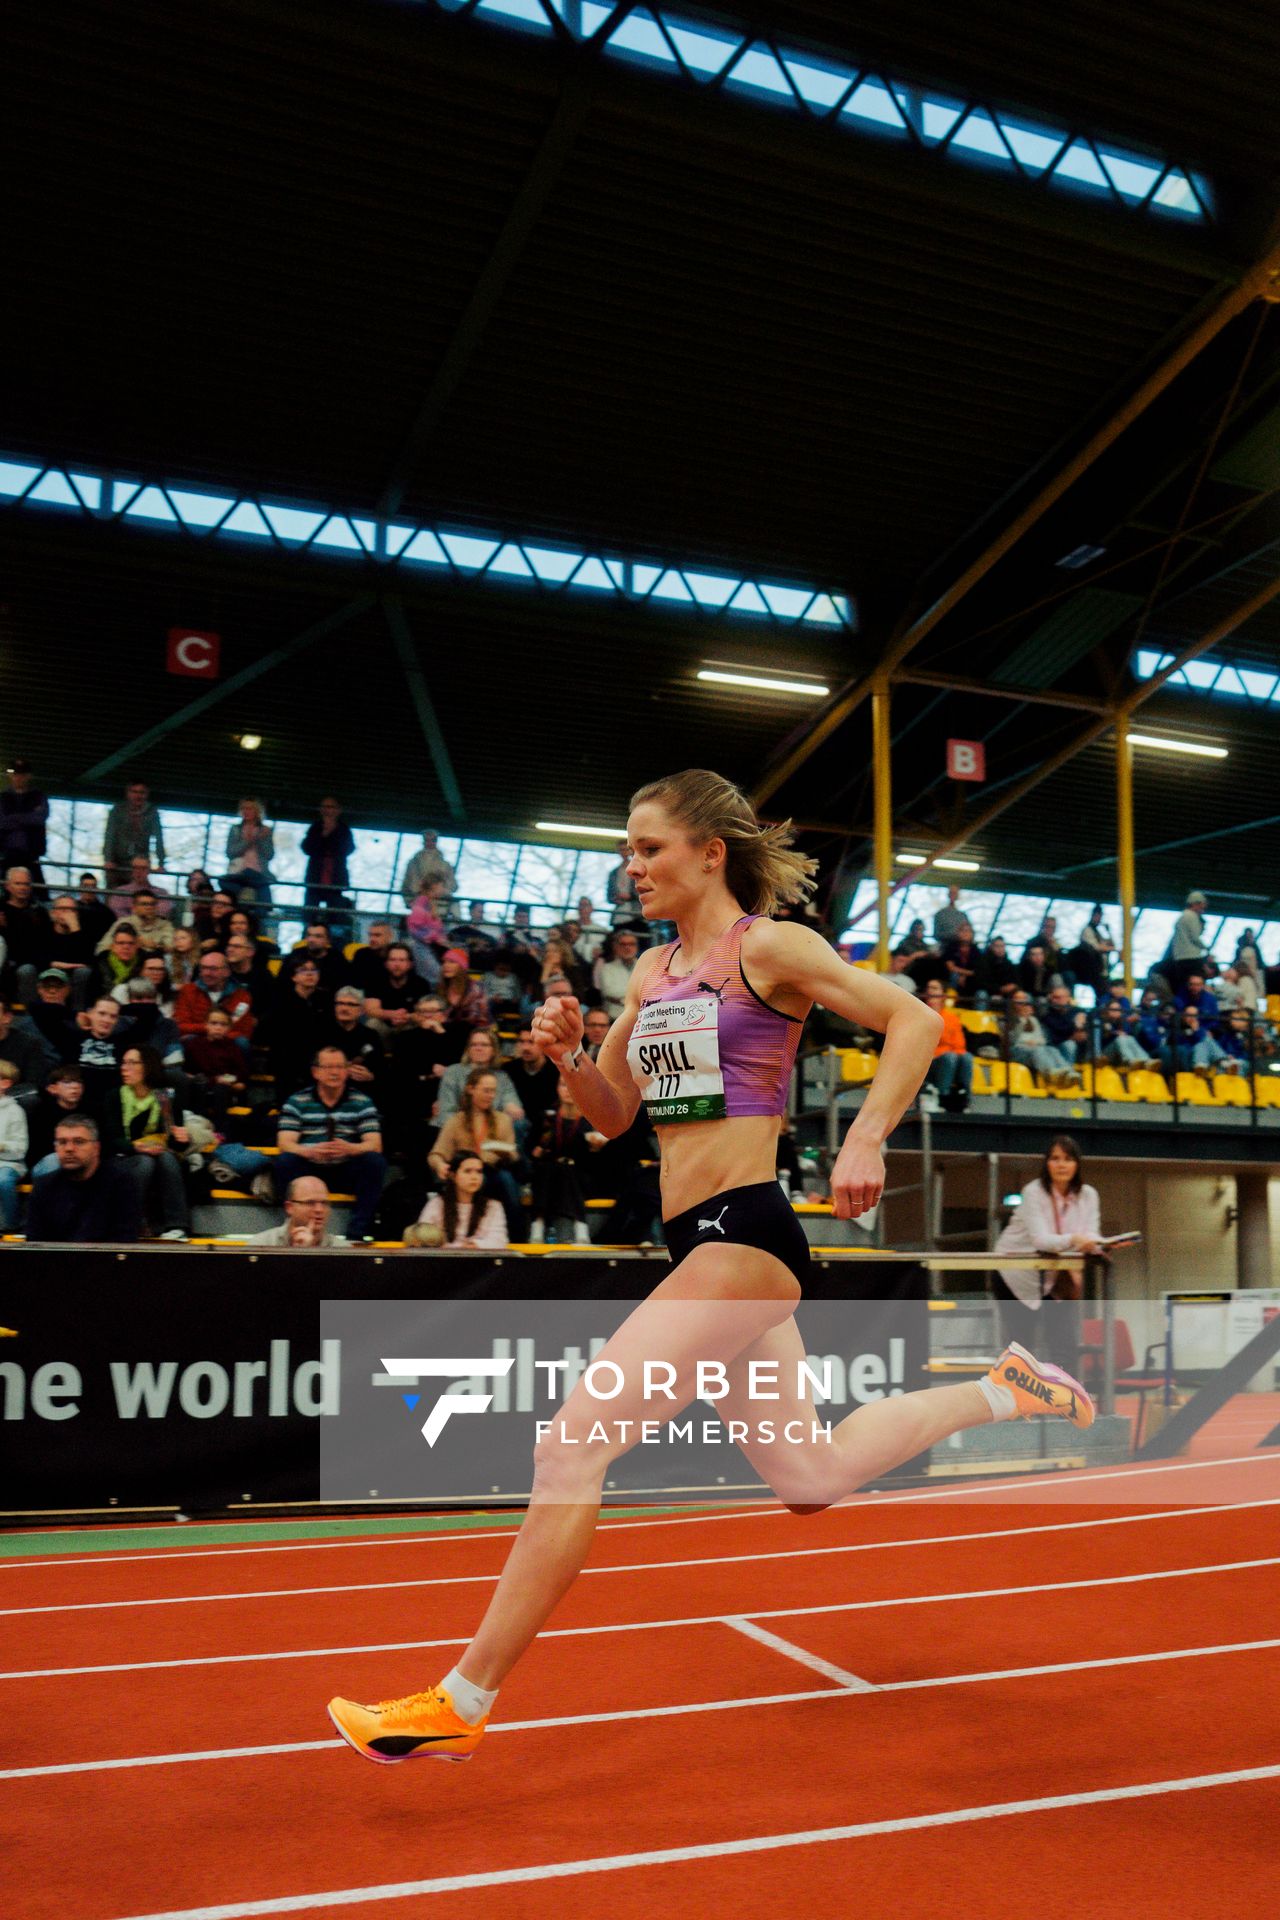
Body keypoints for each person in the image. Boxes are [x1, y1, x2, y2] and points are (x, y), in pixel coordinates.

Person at [327, 768, 1094, 1765]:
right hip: (695, 1238)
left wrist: (864, 1140)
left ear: (707, 852)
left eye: (647, 848)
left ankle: (461, 1700)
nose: (630, 866)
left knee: (569, 1446)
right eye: (625, 851)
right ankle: (1001, 1390)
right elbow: (612, 1119)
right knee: (808, 1476)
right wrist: (564, 1058)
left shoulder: (767, 948)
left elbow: (910, 1020)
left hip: (749, 1230)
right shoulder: (646, 976)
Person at [994, 1136, 1100, 1374]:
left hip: (1056, 1277)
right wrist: (1075, 1240)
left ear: (1077, 1164)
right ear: (1047, 1163)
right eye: (1055, 1158)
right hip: (1015, 1275)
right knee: (1022, 1347)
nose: (1061, 1165)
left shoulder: (1089, 1195)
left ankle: (1062, 1406)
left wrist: (1101, 1244)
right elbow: (1041, 1240)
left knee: (1064, 1346)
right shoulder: (1033, 1192)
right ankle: (1015, 1408)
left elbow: (1092, 1234)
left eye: (1068, 1159)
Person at [276, 1047, 386, 1240]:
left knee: (375, 1161)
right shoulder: (297, 1100)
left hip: (345, 1167)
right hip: (310, 1168)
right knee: (285, 1161)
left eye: (340, 1067)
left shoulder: (362, 1101)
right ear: (315, 1072)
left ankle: (358, 1232)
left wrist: (351, 1149)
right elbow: (285, 1143)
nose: (334, 1072)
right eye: (328, 1067)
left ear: (347, 1071)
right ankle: (293, 1227)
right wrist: (309, 1152)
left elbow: (375, 1144)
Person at [106, 1044, 191, 1239]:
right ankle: (131, 1222)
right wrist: (137, 1146)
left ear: (147, 1066)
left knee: (166, 1159)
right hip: (123, 1155)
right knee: (145, 1161)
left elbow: (174, 1142)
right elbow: (111, 1139)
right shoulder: (114, 1096)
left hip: (158, 1153)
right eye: (123, 1063)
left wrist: (182, 1139)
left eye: (132, 1063)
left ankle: (177, 1226)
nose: (124, 1067)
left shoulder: (164, 1097)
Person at [428, 1067, 521, 1236]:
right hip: (465, 1173)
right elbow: (436, 1154)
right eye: (486, 1091)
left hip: (495, 1171)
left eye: (493, 1091)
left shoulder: (503, 1120)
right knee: (475, 1178)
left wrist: (498, 1154)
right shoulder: (456, 1121)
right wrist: (440, 1164)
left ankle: (516, 1235)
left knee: (506, 1180)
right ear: (471, 1089)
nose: (491, 1096)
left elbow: (513, 1153)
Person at [25, 1114, 144, 1243]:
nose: (69, 1149)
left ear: (96, 1148)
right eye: (62, 1142)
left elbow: (124, 1240)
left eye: (79, 1142)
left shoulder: (121, 1184)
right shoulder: (44, 1187)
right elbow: (35, 1243)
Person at [527, 1080, 597, 1243]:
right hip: (549, 1173)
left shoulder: (591, 1118)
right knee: (549, 1168)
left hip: (581, 1174)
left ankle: (542, 1222)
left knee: (567, 1169)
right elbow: (530, 1146)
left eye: (572, 1085)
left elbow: (596, 1160)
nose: (567, 1090)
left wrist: (596, 1148)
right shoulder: (546, 1117)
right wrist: (535, 1151)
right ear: (557, 1089)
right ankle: (543, 1223)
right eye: (563, 1085)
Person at [408, 1149, 507, 1250]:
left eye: (479, 1172)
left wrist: (474, 1246)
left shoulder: (493, 1206)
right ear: (453, 1175)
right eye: (467, 1171)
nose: (474, 1177)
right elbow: (421, 1237)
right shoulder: (436, 1204)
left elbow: (499, 1241)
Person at [434, 1028, 522, 1127]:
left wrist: (511, 1108)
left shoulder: (502, 1077)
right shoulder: (453, 1072)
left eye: (484, 1045)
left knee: (520, 1124)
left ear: (493, 1050)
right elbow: (446, 1112)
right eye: (473, 1044)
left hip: (490, 1129)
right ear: (468, 1049)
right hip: (456, 1129)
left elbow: (512, 1103)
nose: (478, 1048)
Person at [243, 1175, 346, 1247]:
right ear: (289, 1207)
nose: (319, 1209)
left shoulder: (342, 1249)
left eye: (324, 1203)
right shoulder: (262, 1244)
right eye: (310, 1203)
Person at [918, 979, 973, 1112]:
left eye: (935, 988)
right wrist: (945, 1045)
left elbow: (960, 1044)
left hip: (945, 1057)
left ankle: (963, 1097)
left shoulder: (952, 1018)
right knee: (950, 1057)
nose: (930, 991)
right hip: (926, 1060)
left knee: (966, 1057)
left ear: (943, 994)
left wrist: (944, 1045)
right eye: (929, 988)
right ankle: (943, 1097)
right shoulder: (919, 1013)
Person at [0, 866, 51, 1000]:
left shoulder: (39, 912)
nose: (23, 888)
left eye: (26, 884)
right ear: (7, 886)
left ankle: (27, 1016)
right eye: (18, 883)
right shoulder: (1, 910)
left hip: (32, 962)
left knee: (27, 970)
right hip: (6, 962)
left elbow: (43, 944)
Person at [103, 783, 166, 887]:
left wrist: (161, 862)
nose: (138, 796)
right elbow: (110, 835)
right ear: (128, 793)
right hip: (117, 859)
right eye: (134, 792)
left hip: (140, 859)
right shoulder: (118, 810)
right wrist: (108, 859)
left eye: (142, 793)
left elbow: (159, 838)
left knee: (139, 889)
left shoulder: (152, 812)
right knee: (114, 891)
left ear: (147, 794)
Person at [0, 1001, 58, 1111]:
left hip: (14, 1098)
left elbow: (35, 1082)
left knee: (31, 1099)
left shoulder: (28, 1043)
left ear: (7, 1018)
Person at [302, 796, 355, 914]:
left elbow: (348, 849)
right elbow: (306, 848)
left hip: (335, 879)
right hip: (315, 878)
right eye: (324, 807)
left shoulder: (343, 829)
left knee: (335, 914)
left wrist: (332, 835)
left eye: (330, 807)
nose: (327, 810)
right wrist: (324, 834)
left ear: (338, 810)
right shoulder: (315, 827)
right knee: (310, 912)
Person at [0, 759, 48, 887]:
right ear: (10, 776)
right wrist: (27, 818)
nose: (19, 778)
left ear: (29, 776)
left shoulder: (38, 796)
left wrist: (13, 818)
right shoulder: (3, 797)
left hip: (31, 854)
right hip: (6, 853)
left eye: (22, 774)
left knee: (38, 890)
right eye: (16, 774)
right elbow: (2, 822)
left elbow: (39, 818)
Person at [222, 797, 276, 904]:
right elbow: (230, 852)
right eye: (244, 809)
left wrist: (261, 839)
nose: (246, 812)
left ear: (257, 811)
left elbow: (269, 855)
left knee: (264, 903)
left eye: (250, 808)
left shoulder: (265, 830)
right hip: (237, 872)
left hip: (259, 873)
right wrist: (249, 841)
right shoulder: (235, 829)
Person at [0, 1059, 29, 1230]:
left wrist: (2, 1146)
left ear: (5, 1083)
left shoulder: (15, 1111)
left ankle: (11, 1226)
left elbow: (20, 1149)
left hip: (10, 1164)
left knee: (3, 1180)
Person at [399, 830, 456, 910]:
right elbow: (406, 884)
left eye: (432, 840)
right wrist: (409, 901)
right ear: (423, 841)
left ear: (436, 841)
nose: (429, 843)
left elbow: (452, 885)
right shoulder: (413, 864)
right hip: (418, 901)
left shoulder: (445, 865)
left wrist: (443, 893)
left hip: (439, 904)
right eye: (427, 840)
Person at [593, 928, 640, 1021]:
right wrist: (636, 996)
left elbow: (650, 990)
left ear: (637, 947)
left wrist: (622, 998)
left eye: (631, 944)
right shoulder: (606, 968)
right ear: (616, 947)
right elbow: (609, 992)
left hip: (641, 1019)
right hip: (614, 1018)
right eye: (623, 944)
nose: (627, 947)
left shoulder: (646, 966)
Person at [1168, 888, 1212, 989]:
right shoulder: (1192, 916)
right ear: (1195, 903)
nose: (1204, 907)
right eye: (1202, 904)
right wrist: (1206, 948)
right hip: (1192, 957)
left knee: (1184, 985)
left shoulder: (1182, 917)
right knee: (1196, 985)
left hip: (1180, 958)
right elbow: (1194, 937)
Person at [109, 857, 173, 922]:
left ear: (149, 870)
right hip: (128, 927)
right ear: (131, 870)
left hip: (154, 928)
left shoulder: (161, 892)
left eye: (143, 868)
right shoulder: (120, 891)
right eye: (135, 868)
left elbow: (163, 911)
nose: (138, 871)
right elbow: (117, 911)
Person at [439, 947, 489, 1032]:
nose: (446, 965)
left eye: (452, 962)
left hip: (470, 1035)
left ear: (462, 966)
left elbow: (481, 1019)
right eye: (444, 962)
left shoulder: (475, 988)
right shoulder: (440, 988)